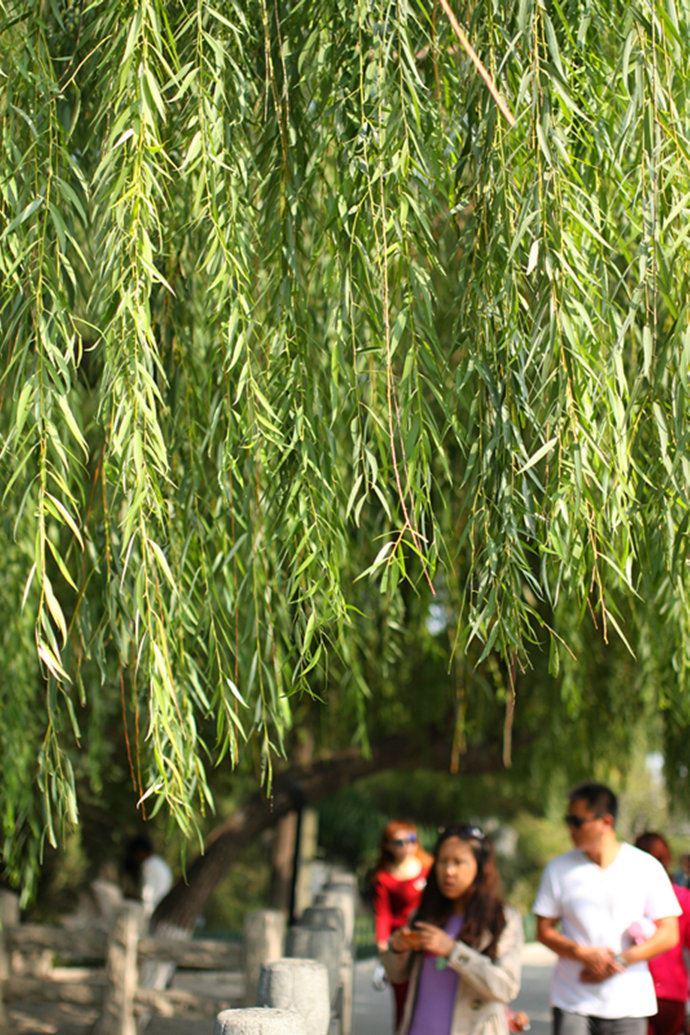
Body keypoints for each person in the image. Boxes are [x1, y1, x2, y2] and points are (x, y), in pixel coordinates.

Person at [534, 782, 681, 1035]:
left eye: (577, 821)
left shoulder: (644, 867)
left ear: (606, 821)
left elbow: (669, 934)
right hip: (572, 999)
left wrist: (618, 960)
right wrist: (580, 953)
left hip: (628, 1001)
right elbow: (543, 930)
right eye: (568, 820)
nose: (571, 828)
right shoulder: (558, 869)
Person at [383, 822, 523, 1035]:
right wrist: (399, 949)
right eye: (443, 862)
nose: (449, 871)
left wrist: (453, 951)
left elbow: (506, 987)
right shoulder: (424, 915)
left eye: (459, 862)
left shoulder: (502, 920)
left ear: (480, 867)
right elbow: (396, 975)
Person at [372, 820, 432, 1027]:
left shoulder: (430, 869)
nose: (407, 845)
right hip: (402, 945)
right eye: (399, 842)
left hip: (429, 942)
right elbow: (383, 913)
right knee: (403, 1001)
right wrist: (382, 942)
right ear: (387, 845)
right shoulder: (384, 877)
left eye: (412, 840)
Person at [634, 832, 690, 1035]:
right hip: (672, 992)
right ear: (667, 859)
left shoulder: (629, 896)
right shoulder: (683, 897)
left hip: (635, 988)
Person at [123, 834, 173, 916]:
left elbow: (146, 896)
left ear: (140, 852)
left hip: (150, 911)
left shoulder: (148, 865)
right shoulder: (160, 863)